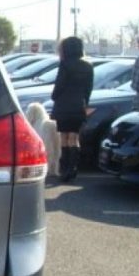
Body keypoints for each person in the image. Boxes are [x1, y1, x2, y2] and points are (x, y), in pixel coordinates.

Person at [51, 36, 93, 181]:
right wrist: (84, 103)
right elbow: (88, 90)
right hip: (78, 106)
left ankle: (64, 169)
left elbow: (59, 85)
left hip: (63, 105)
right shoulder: (88, 66)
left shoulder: (65, 65)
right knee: (74, 137)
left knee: (64, 136)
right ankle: (73, 167)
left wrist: (54, 97)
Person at [25, 102, 61, 177]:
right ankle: (54, 169)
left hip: (44, 130)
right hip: (54, 127)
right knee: (55, 150)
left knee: (45, 150)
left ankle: (45, 170)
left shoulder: (37, 126)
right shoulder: (49, 122)